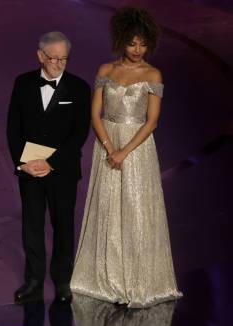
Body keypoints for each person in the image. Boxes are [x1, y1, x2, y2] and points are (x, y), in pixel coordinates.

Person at [70, 7, 182, 308]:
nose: (137, 50)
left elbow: (152, 121)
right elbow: (95, 113)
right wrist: (109, 146)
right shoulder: (105, 71)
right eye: (133, 43)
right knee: (107, 207)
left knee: (135, 209)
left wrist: (124, 151)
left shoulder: (152, 74)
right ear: (122, 40)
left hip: (137, 148)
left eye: (143, 44)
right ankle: (107, 277)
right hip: (108, 144)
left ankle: (137, 279)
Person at [7, 31, 91, 304]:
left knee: (63, 226)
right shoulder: (22, 83)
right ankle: (33, 281)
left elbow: (79, 134)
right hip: (30, 170)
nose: (58, 64)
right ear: (40, 56)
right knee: (32, 226)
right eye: (53, 58)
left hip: (62, 171)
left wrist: (51, 162)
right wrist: (23, 164)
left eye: (63, 59)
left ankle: (63, 281)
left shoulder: (78, 88)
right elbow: (13, 128)